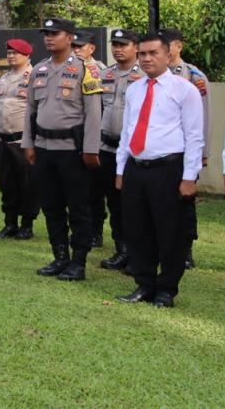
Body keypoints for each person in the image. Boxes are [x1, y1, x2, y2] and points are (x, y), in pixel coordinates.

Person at [113, 33, 204, 307]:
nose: (147, 58)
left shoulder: (184, 89)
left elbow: (194, 136)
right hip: (136, 168)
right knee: (137, 230)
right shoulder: (135, 89)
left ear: (168, 55)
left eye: (153, 53)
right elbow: (127, 132)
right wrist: (120, 169)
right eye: (142, 54)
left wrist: (189, 177)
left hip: (168, 169)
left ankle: (166, 289)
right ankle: (144, 284)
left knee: (170, 232)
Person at [22, 18, 103, 282]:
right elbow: (30, 111)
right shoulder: (39, 70)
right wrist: (28, 143)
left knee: (78, 207)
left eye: (54, 33)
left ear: (70, 37)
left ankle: (78, 262)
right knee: (52, 205)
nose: (48, 38)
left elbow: (93, 114)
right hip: (44, 148)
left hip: (72, 150)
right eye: (46, 33)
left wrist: (91, 149)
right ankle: (60, 257)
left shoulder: (86, 70)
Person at [160, 27, 209, 269]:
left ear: (178, 46)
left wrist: (202, 154)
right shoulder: (148, 74)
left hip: (184, 152)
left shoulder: (193, 75)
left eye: (166, 44)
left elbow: (203, 118)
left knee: (184, 203)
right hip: (158, 153)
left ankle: (186, 249)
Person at [96, 29, 142, 269]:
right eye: (115, 44)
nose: (118, 49)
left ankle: (137, 253)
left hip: (134, 152)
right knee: (114, 202)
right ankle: (121, 249)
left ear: (136, 47)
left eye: (123, 44)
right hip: (107, 148)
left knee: (134, 204)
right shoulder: (104, 75)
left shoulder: (144, 75)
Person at [0, 39, 37, 241]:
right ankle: (10, 224)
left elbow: (36, 111)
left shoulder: (35, 77)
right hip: (4, 141)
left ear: (27, 55)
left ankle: (26, 225)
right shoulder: (3, 79)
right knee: (7, 185)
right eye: (9, 52)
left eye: (16, 53)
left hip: (23, 141)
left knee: (27, 185)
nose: (11, 56)